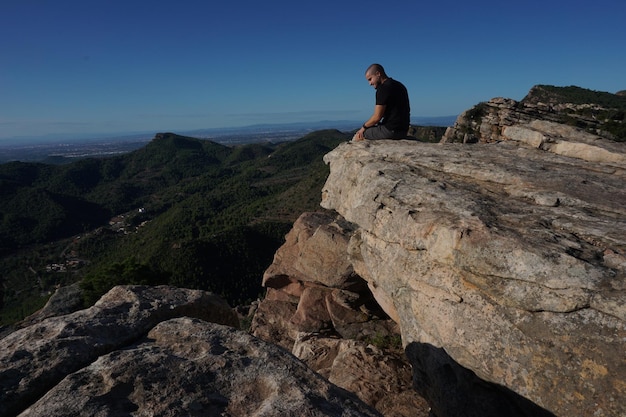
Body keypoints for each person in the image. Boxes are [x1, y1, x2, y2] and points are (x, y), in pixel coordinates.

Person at [353, 63, 410, 141]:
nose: (370, 84)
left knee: (360, 135)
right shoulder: (400, 85)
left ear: (378, 74)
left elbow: (376, 117)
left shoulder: (383, 89)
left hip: (391, 131)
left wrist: (363, 128)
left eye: (370, 79)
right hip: (403, 130)